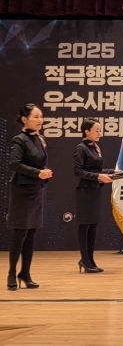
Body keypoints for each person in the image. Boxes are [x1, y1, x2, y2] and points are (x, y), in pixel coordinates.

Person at [7, 103, 53, 291]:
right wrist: (37, 173)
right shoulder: (19, 139)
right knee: (20, 233)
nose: (39, 120)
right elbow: (14, 164)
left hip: (36, 189)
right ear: (24, 119)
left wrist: (44, 173)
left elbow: (39, 163)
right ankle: (11, 273)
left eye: (41, 116)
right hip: (22, 190)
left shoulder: (39, 138)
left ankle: (25, 273)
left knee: (31, 233)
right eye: (35, 116)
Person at [73, 118, 114, 273]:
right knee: (84, 225)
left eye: (100, 130)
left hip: (95, 190)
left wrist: (112, 172)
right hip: (84, 192)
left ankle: (90, 260)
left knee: (93, 225)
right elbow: (78, 172)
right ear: (86, 131)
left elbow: (96, 170)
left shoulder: (95, 147)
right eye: (96, 130)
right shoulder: (81, 148)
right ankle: (85, 259)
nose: (99, 133)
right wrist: (98, 176)